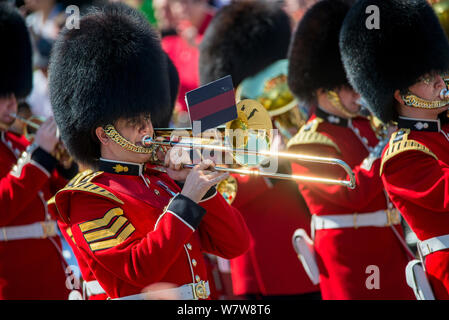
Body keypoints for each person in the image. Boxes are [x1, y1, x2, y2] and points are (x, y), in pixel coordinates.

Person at [49, 3, 250, 300]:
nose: (148, 130)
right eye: (134, 123)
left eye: (147, 119)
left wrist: (202, 190)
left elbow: (236, 244)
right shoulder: (86, 198)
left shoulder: (160, 181)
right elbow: (138, 270)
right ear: (104, 133)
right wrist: (186, 200)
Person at [286, 0, 414, 299]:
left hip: (391, 247)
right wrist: (386, 146)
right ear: (323, 89)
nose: (358, 92)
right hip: (350, 259)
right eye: (349, 85)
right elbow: (350, 193)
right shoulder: (308, 142)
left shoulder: (367, 125)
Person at [198, 0, 320, 300]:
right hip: (254, 258)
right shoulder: (213, 103)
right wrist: (269, 168)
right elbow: (219, 186)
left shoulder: (288, 87)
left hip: (303, 244)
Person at [339, 0, 449, 300]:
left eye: (440, 71)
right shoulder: (403, 157)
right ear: (402, 95)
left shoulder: (443, 131)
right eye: (428, 78)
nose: (441, 82)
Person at [0, 2, 73, 299]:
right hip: (14, 282)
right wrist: (41, 156)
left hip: (54, 276)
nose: (13, 105)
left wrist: (66, 162)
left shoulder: (16, 144)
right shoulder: (29, 151)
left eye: (14, 96)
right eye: (3, 98)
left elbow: (58, 200)